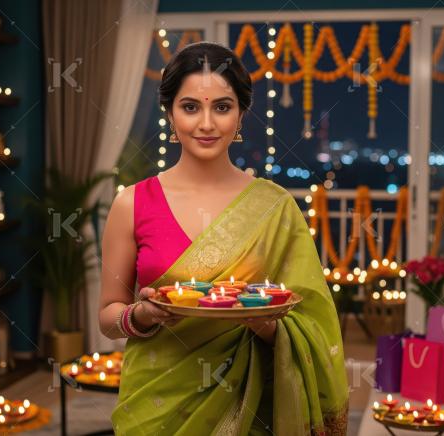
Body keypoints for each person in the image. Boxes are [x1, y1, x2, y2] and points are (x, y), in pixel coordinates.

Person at [98, 41, 348, 435]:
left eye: (222, 107)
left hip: (250, 404)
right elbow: (108, 315)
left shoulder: (274, 206)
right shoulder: (132, 203)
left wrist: (265, 325)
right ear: (169, 113)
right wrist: (141, 315)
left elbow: (311, 319)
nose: (207, 124)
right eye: (190, 107)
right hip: (156, 403)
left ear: (241, 114)